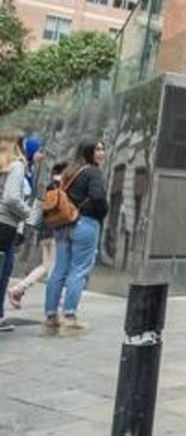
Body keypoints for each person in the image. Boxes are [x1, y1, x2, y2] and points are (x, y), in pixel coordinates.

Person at [42, 139, 108, 334]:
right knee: (78, 270)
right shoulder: (93, 172)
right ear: (88, 151)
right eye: (97, 149)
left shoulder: (68, 171)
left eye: (102, 149)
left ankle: (51, 316)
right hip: (85, 223)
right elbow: (98, 197)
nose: (101, 153)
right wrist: (102, 212)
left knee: (59, 270)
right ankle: (69, 316)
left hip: (62, 224)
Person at [9, 161, 67, 309]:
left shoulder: (50, 185)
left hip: (44, 231)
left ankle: (19, 288)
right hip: (56, 231)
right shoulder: (63, 186)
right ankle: (57, 300)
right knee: (54, 268)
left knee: (46, 266)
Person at [0, 129, 33, 333]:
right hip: (5, 225)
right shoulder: (16, 166)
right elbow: (12, 198)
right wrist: (28, 213)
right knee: (3, 271)